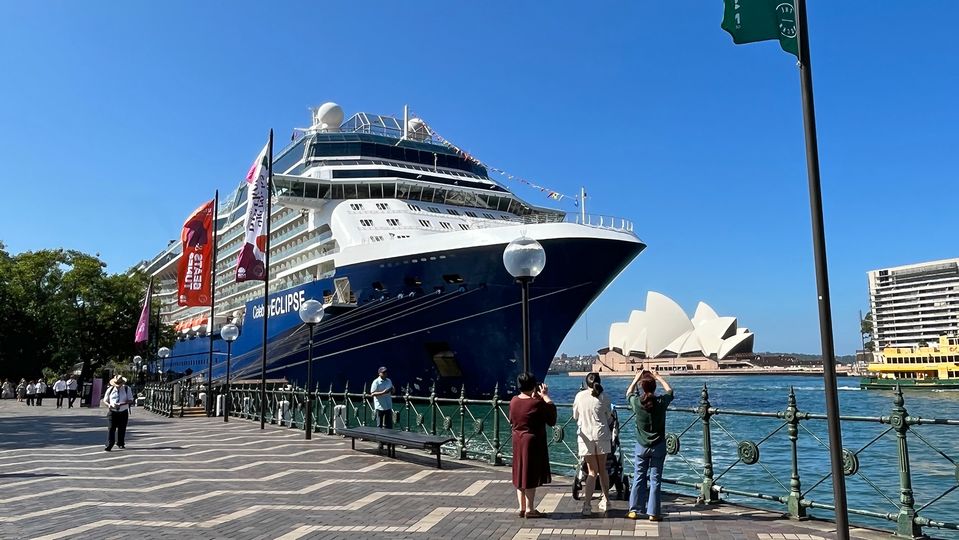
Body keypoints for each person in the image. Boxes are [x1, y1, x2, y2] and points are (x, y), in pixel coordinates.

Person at [626, 369, 674, 521]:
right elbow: (670, 391)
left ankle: (634, 510)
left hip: (641, 445)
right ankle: (653, 513)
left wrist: (635, 379)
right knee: (655, 479)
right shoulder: (661, 402)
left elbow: (628, 393)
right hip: (658, 445)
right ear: (654, 387)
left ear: (643, 386)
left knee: (639, 477)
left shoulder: (637, 403)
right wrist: (659, 377)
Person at [509, 372, 557, 519]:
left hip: (518, 439)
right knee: (530, 474)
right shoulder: (537, 403)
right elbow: (552, 418)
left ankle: (521, 507)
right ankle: (530, 508)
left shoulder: (513, 401)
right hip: (532, 441)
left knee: (520, 472)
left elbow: (511, 419)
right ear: (534, 385)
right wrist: (545, 396)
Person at [572, 372, 613, 516]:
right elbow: (609, 416)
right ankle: (606, 500)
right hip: (602, 435)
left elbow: (575, 416)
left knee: (591, 471)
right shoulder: (604, 397)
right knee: (603, 470)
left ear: (585, 383)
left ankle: (587, 505)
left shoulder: (579, 396)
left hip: (585, 437)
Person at [102, 376, 134, 451]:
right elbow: (105, 400)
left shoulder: (127, 389)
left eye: (119, 384)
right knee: (111, 428)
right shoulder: (110, 389)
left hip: (123, 411)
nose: (118, 386)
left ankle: (120, 443)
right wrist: (109, 405)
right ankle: (110, 443)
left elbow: (130, 400)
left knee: (122, 428)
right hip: (112, 411)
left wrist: (122, 403)